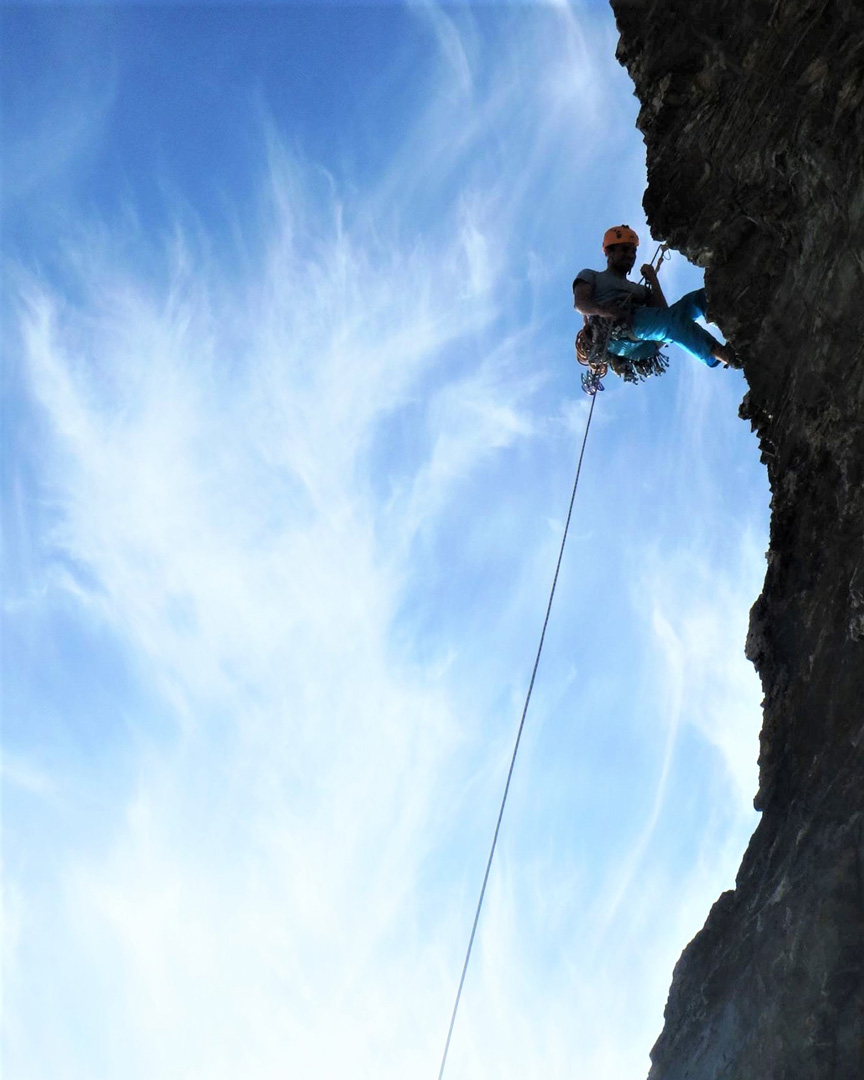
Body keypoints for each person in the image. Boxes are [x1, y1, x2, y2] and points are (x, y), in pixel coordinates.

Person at [572, 225, 740, 370]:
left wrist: (653, 279)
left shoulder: (637, 290)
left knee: (699, 299)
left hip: (642, 339)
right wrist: (607, 310)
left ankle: (738, 322)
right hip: (618, 335)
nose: (630, 255)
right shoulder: (591, 275)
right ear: (609, 252)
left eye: (633, 251)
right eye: (624, 249)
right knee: (672, 323)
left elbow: (663, 312)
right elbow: (580, 304)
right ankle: (722, 354)